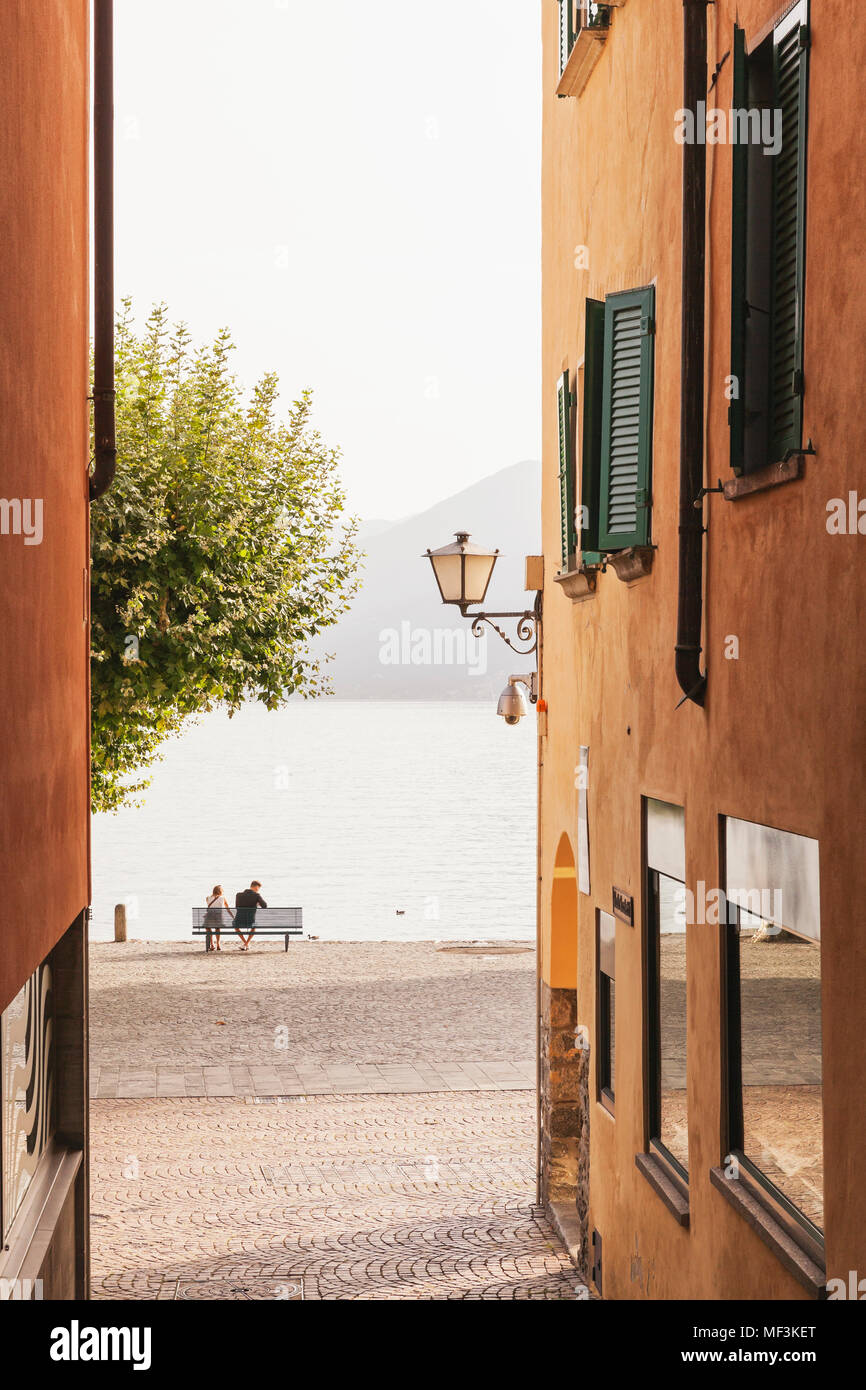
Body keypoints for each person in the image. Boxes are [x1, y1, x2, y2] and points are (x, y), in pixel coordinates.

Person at [234, 880, 267, 951]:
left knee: (235, 926)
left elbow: (236, 907)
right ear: (256, 887)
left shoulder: (238, 895)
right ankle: (246, 943)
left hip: (239, 920)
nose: (258, 890)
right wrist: (257, 903)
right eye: (258, 888)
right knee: (254, 926)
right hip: (250, 921)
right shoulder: (257, 895)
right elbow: (264, 906)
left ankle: (245, 943)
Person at [203, 884, 233, 952]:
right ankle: (218, 944)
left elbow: (210, 907)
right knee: (217, 928)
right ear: (220, 891)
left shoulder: (207, 898)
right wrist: (233, 917)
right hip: (218, 919)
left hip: (209, 918)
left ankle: (212, 944)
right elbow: (228, 909)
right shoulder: (222, 898)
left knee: (208, 928)